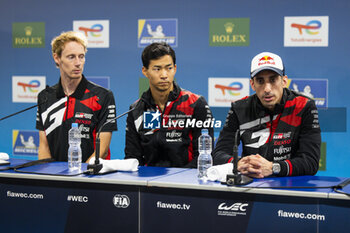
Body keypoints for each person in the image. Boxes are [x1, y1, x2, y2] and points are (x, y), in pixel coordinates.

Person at [212, 52, 321, 178]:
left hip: (290, 186)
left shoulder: (303, 106)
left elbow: (311, 162)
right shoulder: (239, 108)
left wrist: (273, 167)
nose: (267, 89)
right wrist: (238, 164)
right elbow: (218, 154)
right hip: (251, 184)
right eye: (260, 81)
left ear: (284, 81)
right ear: (252, 84)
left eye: (273, 79)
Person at [124, 42, 214, 168]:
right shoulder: (136, 110)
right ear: (145, 71)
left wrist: (174, 180)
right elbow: (132, 158)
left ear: (175, 69)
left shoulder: (195, 104)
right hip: (148, 182)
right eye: (157, 69)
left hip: (186, 182)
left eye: (169, 68)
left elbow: (203, 155)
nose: (164, 75)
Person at [36, 31, 117, 162]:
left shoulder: (102, 96)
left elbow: (102, 149)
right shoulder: (45, 97)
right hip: (54, 177)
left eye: (81, 56)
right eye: (71, 57)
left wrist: (82, 175)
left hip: (90, 177)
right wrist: (48, 176)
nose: (78, 62)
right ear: (57, 58)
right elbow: (44, 146)